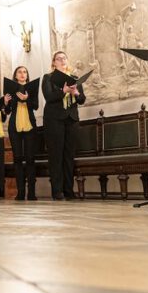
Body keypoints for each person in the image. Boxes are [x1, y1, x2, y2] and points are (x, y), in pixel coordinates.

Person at [42, 51, 85, 200]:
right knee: (56, 156)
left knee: (68, 156)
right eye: (58, 59)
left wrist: (76, 93)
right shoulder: (48, 78)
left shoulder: (74, 78)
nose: (62, 60)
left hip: (71, 119)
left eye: (64, 58)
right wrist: (63, 91)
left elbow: (82, 100)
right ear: (54, 62)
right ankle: (57, 191)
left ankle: (68, 190)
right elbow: (48, 96)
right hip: (54, 120)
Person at [8, 66, 39, 200]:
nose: (22, 74)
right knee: (17, 159)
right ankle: (20, 192)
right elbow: (8, 110)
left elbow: (36, 106)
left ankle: (31, 192)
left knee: (30, 159)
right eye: (19, 72)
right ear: (15, 76)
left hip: (29, 127)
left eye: (25, 72)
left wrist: (27, 99)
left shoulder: (32, 88)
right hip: (14, 127)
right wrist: (5, 102)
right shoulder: (10, 89)